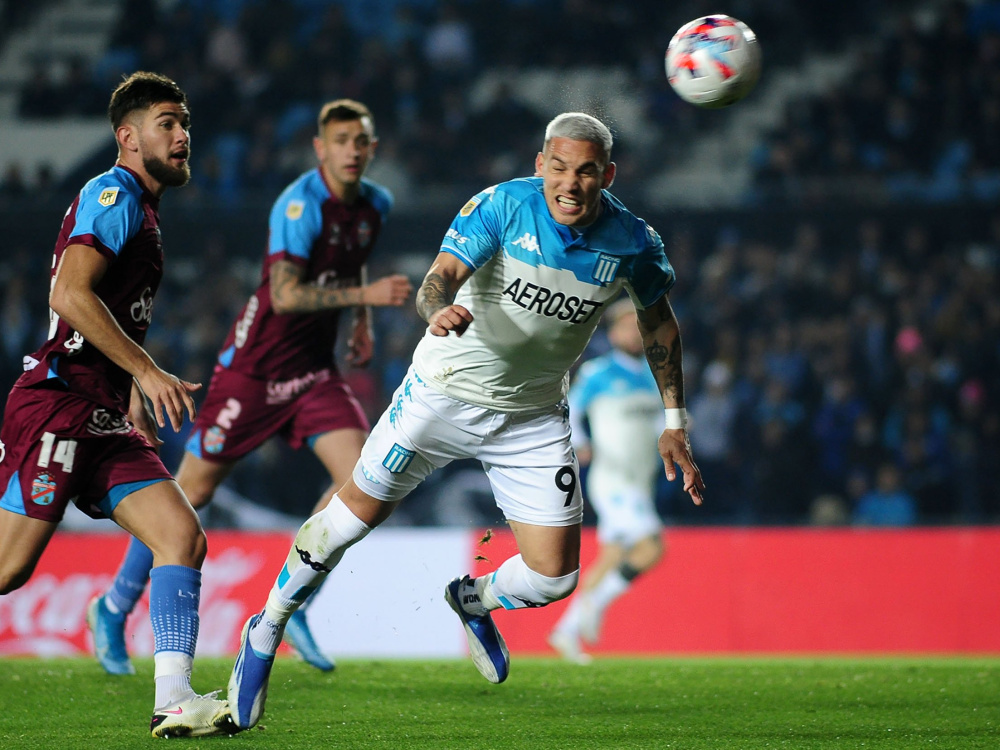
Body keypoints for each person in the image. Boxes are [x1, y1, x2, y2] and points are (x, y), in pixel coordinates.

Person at [226, 111, 705, 731]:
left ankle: (472, 599)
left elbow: (658, 322)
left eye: (586, 171)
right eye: (558, 167)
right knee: (348, 522)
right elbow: (438, 279)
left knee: (554, 580)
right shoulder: (502, 207)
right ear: (540, 165)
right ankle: (264, 630)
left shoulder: (633, 243)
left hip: (532, 416)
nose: (570, 182)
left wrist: (675, 418)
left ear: (606, 175)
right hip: (442, 393)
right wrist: (437, 310)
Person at [88, 99, 412, 676]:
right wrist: (364, 301)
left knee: (364, 480)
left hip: (313, 372)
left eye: (362, 142)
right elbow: (286, 295)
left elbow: (351, 262)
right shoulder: (299, 204)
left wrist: (358, 323)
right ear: (321, 148)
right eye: (341, 141)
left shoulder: (374, 204)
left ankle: (299, 595)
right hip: (255, 372)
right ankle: (114, 607)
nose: (352, 151)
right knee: (190, 495)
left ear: (372, 148)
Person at [0, 71, 235, 738]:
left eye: (185, 121)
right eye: (168, 122)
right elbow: (70, 296)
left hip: (99, 413)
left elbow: (110, 318)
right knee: (8, 571)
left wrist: (130, 387)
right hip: (57, 406)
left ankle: (174, 700)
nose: (184, 134)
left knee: (181, 536)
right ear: (127, 137)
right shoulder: (114, 192)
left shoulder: (143, 209)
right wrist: (147, 370)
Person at [547, 299, 670, 665]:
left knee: (614, 556)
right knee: (651, 548)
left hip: (640, 481)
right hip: (613, 480)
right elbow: (569, 408)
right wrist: (580, 444)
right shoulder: (599, 373)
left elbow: (659, 422)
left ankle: (566, 631)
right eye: (628, 326)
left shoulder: (653, 375)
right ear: (614, 332)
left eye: (639, 326)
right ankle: (593, 606)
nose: (635, 332)